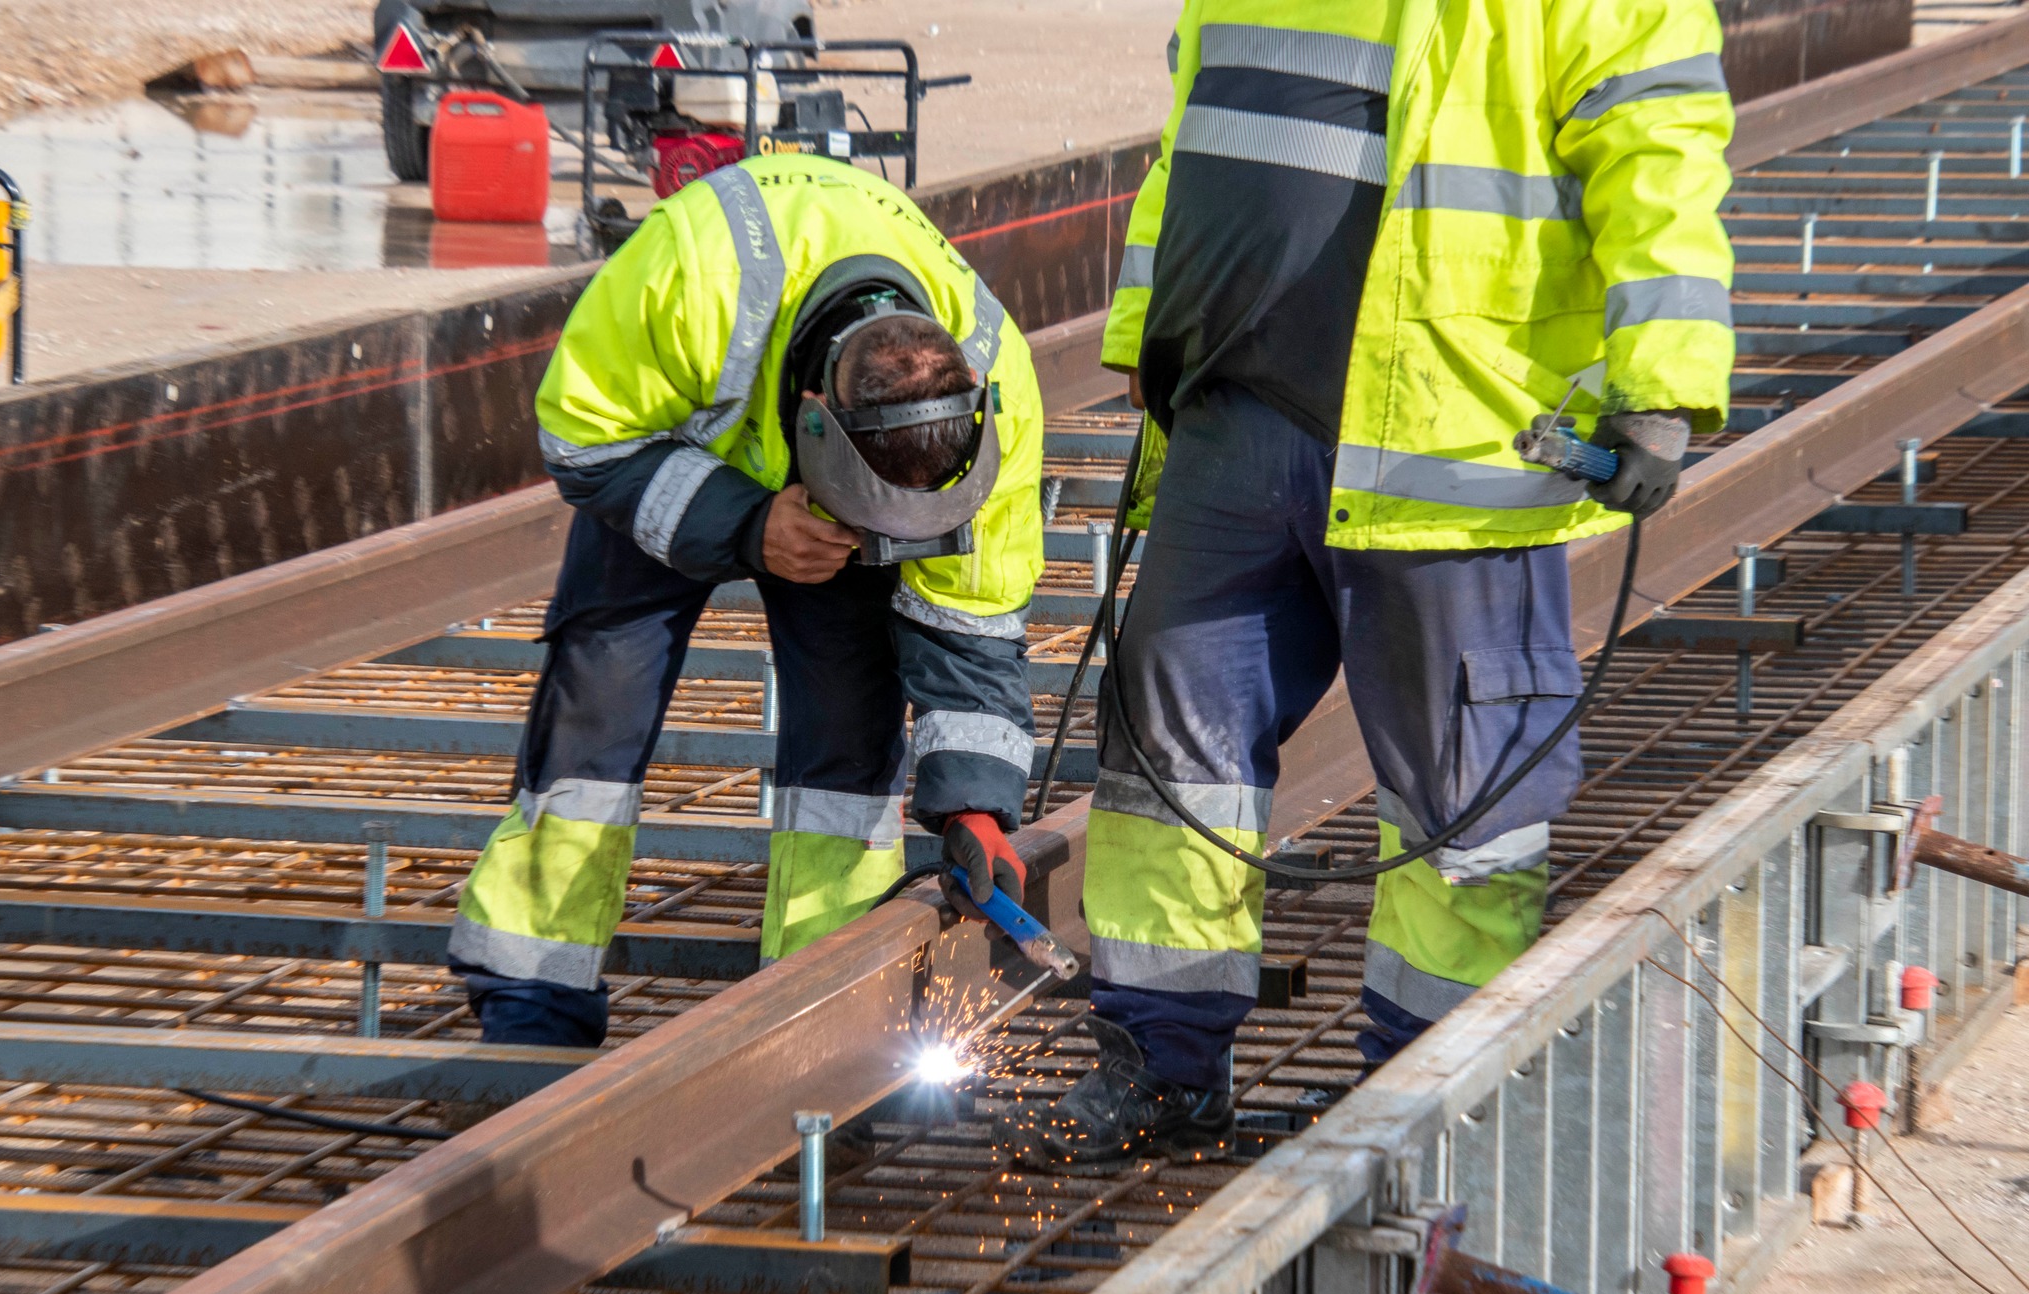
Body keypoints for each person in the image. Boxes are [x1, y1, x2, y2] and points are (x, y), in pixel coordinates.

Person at [1002, 0, 1735, 1168]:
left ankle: (1430, 1092)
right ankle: (1158, 1058)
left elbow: (1660, 168)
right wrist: (1148, 334)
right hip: (1234, 419)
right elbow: (1188, 147)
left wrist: (1665, 380)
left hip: (1446, 437)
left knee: (1465, 798)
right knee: (1165, 758)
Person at [448, 154, 1045, 1046]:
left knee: (849, 734)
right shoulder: (692, 277)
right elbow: (580, 438)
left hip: (829, 479)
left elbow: (975, 622)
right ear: (814, 414)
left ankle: (825, 1017)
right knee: (598, 700)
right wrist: (750, 524)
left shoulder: (999, 394)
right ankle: (531, 995)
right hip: (665, 450)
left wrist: (977, 803)